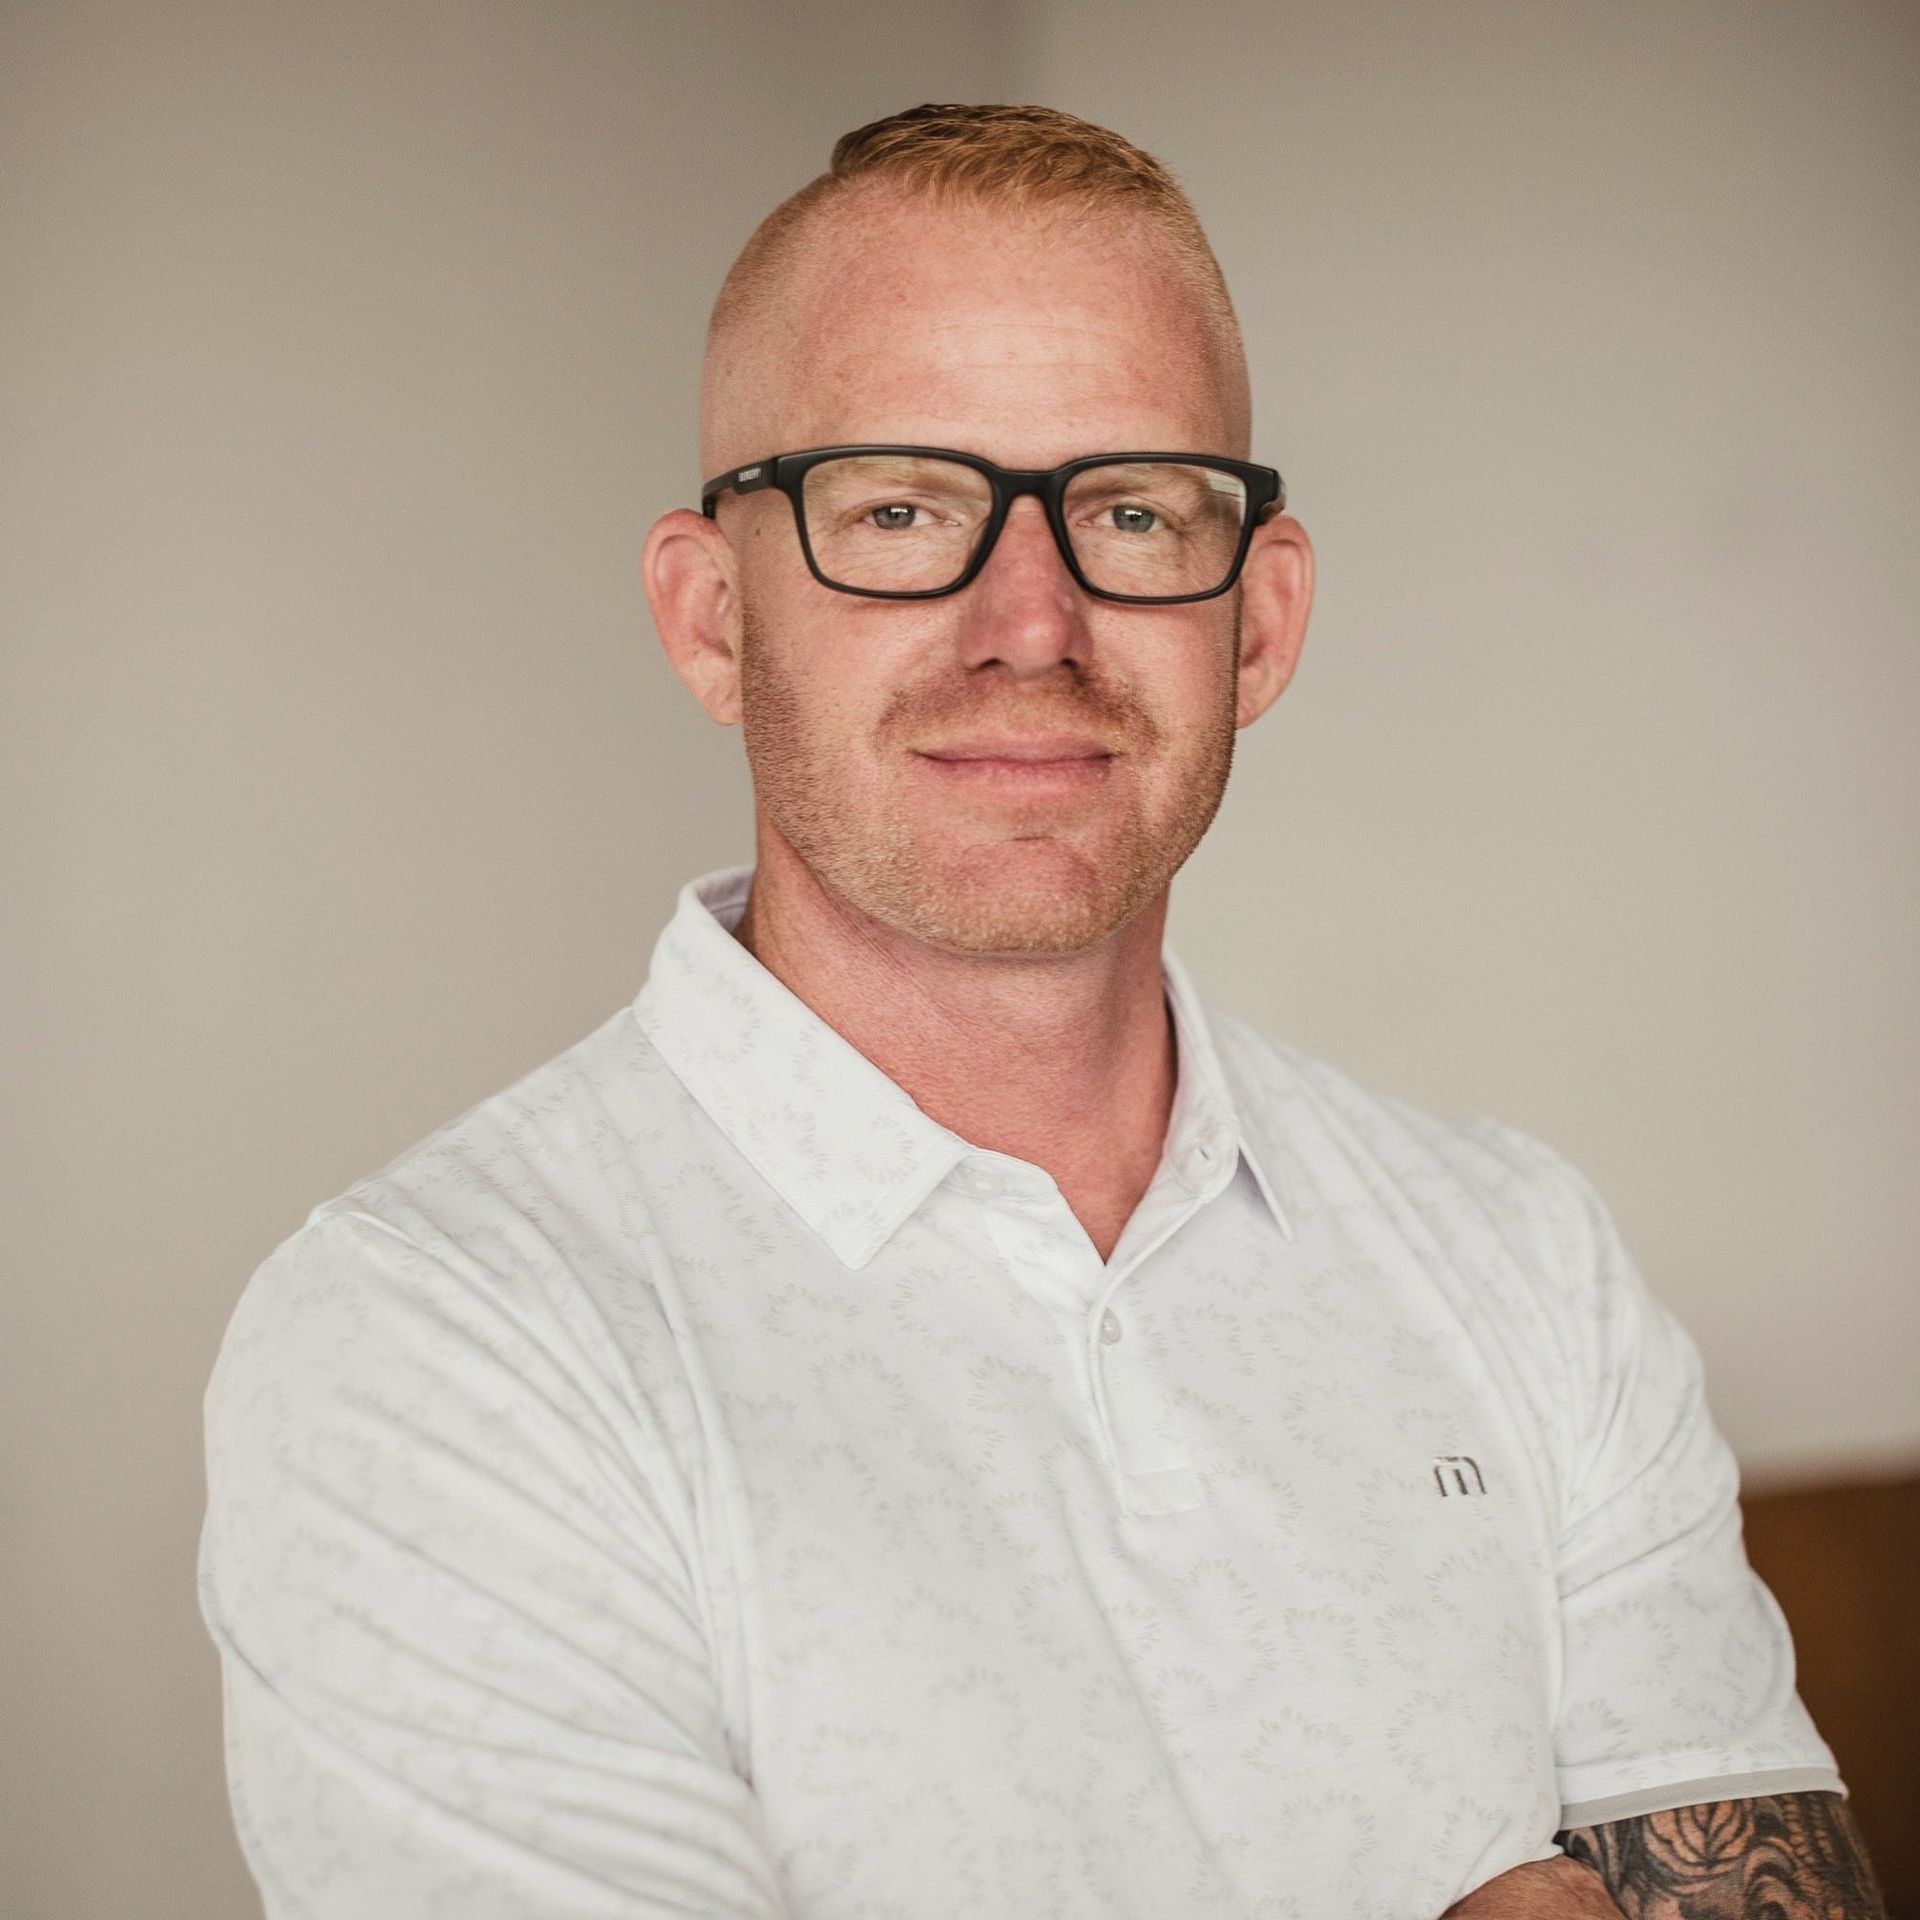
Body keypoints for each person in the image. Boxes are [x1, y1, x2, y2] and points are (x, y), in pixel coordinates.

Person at [198, 103, 1884, 1919]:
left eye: (1133, 513)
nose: (1031, 622)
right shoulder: (437, 1338)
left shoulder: (1525, 1260)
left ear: (1258, 623)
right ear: (711, 621)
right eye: (898, 510)